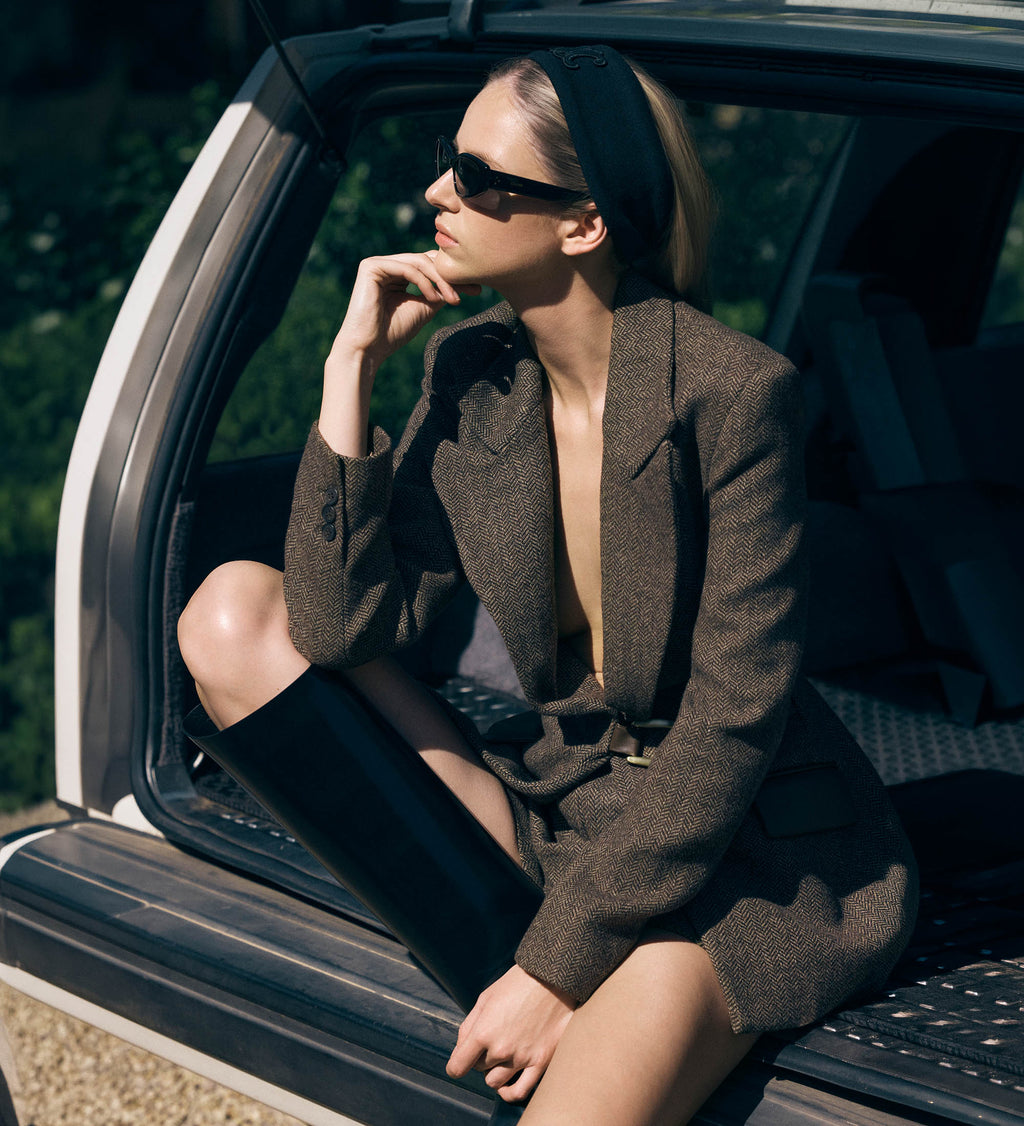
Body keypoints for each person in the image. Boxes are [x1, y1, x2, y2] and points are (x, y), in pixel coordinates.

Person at [178, 45, 918, 1125]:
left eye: (478, 176)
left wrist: (553, 970)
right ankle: (528, 962)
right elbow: (341, 628)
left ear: (583, 225)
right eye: (449, 160)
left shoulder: (734, 395)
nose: (436, 192)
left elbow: (731, 725)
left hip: (739, 857)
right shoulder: (474, 373)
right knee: (235, 610)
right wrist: (351, 368)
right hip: (564, 806)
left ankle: (565, 980)